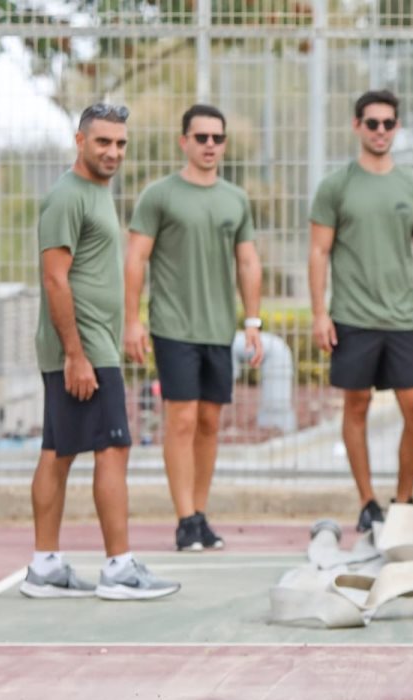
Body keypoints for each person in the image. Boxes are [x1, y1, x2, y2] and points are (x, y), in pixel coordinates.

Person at [22, 103, 180, 601]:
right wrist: (76, 355)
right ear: (80, 141)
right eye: (103, 142)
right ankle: (119, 569)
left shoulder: (95, 192)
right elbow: (55, 279)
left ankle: (46, 567)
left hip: (93, 345)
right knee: (113, 447)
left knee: (59, 451)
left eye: (120, 143)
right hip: (84, 349)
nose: (113, 151)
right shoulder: (67, 196)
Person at [124, 103, 263, 552]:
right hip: (173, 327)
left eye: (217, 138)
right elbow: (136, 259)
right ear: (184, 141)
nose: (209, 145)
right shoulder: (159, 195)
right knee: (181, 419)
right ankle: (184, 518)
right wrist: (132, 321)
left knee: (208, 422)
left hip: (219, 330)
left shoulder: (235, 199)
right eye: (200, 137)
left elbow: (248, 261)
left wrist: (253, 322)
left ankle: (200, 515)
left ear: (224, 144)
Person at [307, 89, 413, 533]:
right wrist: (319, 314)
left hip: (402, 320)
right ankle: (367, 502)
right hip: (351, 318)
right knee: (356, 406)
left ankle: (404, 501)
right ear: (357, 126)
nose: (380, 131)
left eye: (388, 123)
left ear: (396, 127)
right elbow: (318, 252)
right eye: (372, 123)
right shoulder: (336, 186)